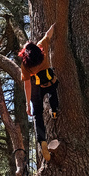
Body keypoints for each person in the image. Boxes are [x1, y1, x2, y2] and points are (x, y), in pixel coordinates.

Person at [19, 24, 59, 161]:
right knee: (53, 90)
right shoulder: (42, 47)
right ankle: (54, 110)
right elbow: (48, 34)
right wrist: (54, 25)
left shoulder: (25, 65)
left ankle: (42, 140)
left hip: (37, 88)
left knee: (37, 115)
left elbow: (27, 84)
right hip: (50, 81)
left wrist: (28, 103)